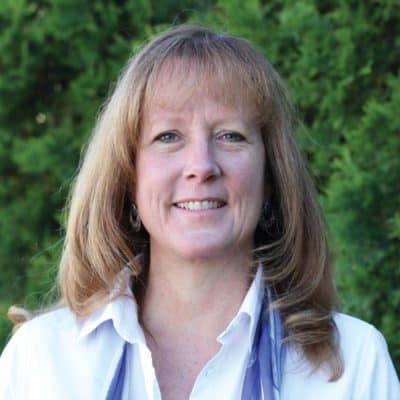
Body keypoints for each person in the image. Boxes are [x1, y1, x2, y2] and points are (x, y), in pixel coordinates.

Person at [0, 25, 399, 400]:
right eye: (168, 136)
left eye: (230, 136)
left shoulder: (351, 366)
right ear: (127, 177)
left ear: (271, 176)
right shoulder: (40, 362)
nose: (202, 165)